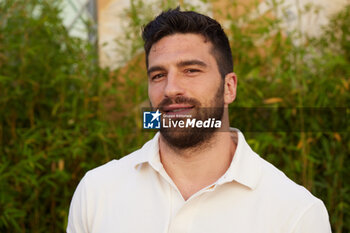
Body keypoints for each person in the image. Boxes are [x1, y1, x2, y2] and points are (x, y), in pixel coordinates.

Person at [67, 8, 331, 233]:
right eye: (158, 75)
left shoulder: (296, 214)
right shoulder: (97, 192)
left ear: (229, 88)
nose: (170, 89)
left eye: (191, 70)